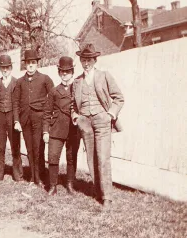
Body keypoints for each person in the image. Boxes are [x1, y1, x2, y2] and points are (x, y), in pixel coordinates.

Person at [71, 44, 124, 208]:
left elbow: (119, 98)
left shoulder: (104, 76)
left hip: (102, 121)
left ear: (94, 60)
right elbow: (73, 104)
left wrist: (110, 115)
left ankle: (107, 196)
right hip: (85, 123)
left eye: (89, 60)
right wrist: (76, 117)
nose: (86, 63)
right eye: (83, 60)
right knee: (91, 158)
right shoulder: (77, 81)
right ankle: (97, 190)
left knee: (103, 157)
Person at [13, 50, 54, 187]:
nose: (30, 65)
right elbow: (15, 102)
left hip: (39, 119)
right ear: (25, 65)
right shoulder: (19, 82)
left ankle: (40, 176)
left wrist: (48, 113)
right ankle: (33, 176)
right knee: (29, 148)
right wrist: (17, 120)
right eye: (28, 63)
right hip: (25, 120)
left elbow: (53, 97)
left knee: (38, 148)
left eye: (33, 63)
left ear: (37, 64)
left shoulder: (45, 79)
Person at [43, 56, 80, 196]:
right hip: (56, 129)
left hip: (73, 129)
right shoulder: (53, 91)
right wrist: (46, 131)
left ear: (72, 72)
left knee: (71, 157)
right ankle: (53, 185)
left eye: (67, 71)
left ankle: (70, 184)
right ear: (59, 72)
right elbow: (46, 112)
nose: (64, 74)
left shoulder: (77, 89)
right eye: (62, 72)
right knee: (53, 156)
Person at [0, 54, 23, 182]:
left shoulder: (16, 83)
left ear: (11, 67)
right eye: (3, 67)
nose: (5, 70)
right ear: (0, 68)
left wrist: (17, 120)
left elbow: (19, 103)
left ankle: (18, 174)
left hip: (12, 117)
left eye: (7, 67)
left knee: (15, 146)